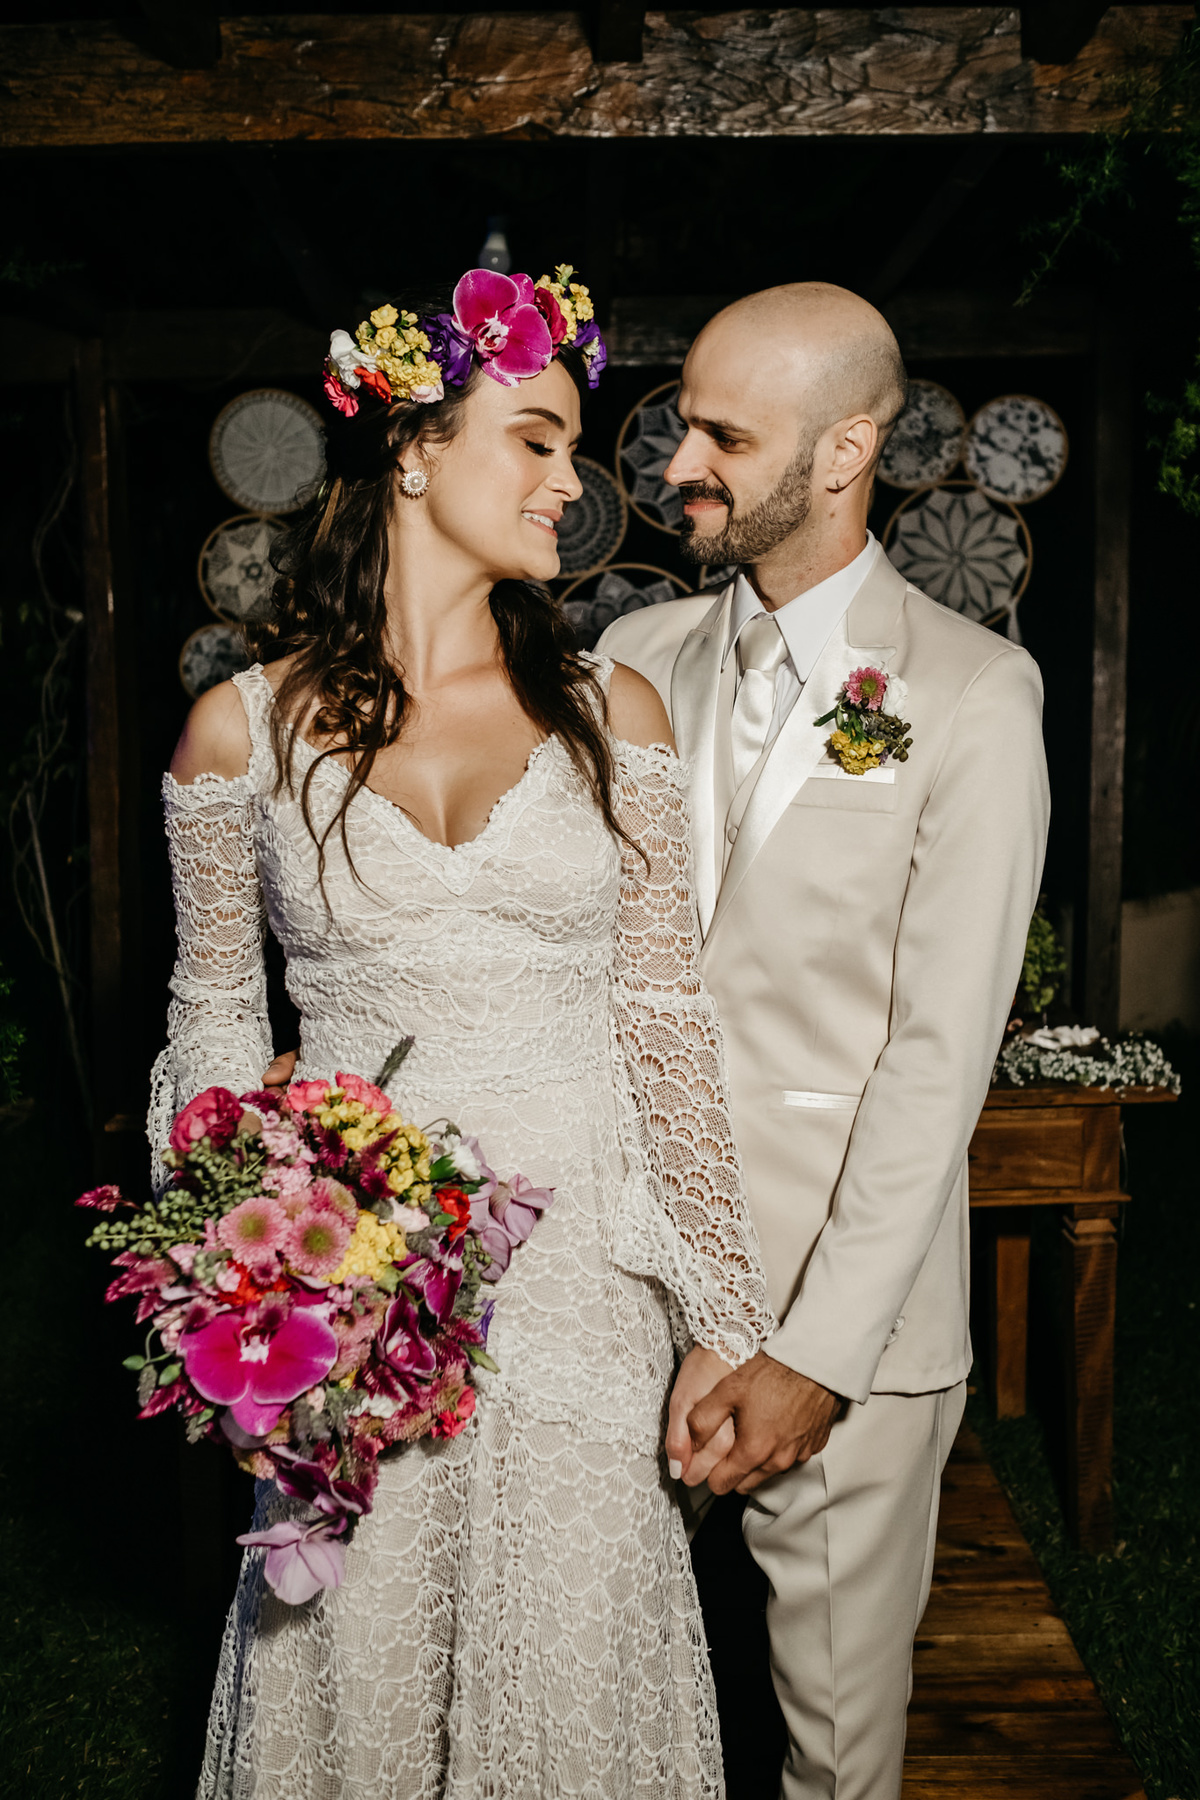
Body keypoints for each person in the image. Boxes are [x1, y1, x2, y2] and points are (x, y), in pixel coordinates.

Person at [151, 266, 774, 1800]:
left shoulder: (610, 709)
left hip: (582, 1286)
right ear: (416, 448)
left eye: (576, 452)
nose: (574, 484)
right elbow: (216, 1033)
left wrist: (723, 1315)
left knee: (570, 1685)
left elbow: (666, 1024)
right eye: (539, 441)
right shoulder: (243, 730)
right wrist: (236, 1315)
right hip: (354, 1295)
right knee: (351, 1673)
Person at [596, 282, 1051, 1800]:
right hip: (620, 1289)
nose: (676, 468)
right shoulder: (634, 659)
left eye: (724, 435)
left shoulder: (975, 696)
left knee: (834, 1757)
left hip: (842, 1325)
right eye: (682, 427)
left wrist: (816, 1355)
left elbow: (938, 1062)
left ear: (846, 445)